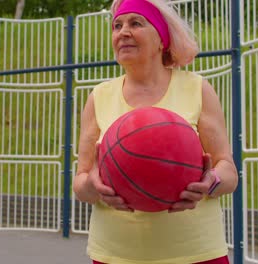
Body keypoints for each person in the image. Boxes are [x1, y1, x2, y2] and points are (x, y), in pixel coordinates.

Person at [73, 0, 238, 263]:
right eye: (117, 26)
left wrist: (211, 182)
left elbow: (228, 170)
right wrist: (93, 186)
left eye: (136, 23)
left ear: (162, 39)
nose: (123, 31)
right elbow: (81, 181)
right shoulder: (100, 96)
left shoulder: (196, 88)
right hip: (117, 254)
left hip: (195, 252)